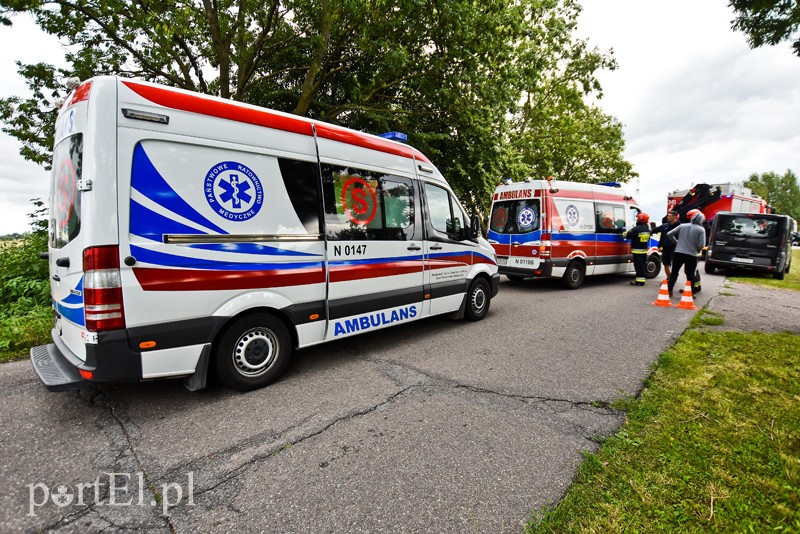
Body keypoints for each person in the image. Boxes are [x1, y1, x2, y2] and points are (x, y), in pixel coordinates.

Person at [667, 209, 706, 298]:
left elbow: (669, 234)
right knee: (690, 274)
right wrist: (697, 250)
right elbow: (702, 244)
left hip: (678, 253)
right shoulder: (701, 229)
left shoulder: (682, 226)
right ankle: (690, 293)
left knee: (674, 272)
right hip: (692, 255)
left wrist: (677, 243)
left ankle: (669, 290)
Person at [650, 210, 679, 278]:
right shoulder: (665, 226)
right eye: (668, 216)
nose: (668, 217)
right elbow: (655, 230)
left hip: (676, 248)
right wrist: (659, 246)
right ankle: (669, 278)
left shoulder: (680, 226)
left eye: (670, 216)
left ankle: (673, 278)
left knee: (675, 264)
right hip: (666, 248)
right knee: (666, 264)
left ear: (675, 217)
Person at [626, 212, 651, 286]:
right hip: (644, 250)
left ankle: (639, 281)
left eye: (637, 219)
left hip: (637, 251)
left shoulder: (636, 229)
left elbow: (628, 235)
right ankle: (641, 279)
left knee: (638, 266)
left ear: (640, 220)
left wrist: (623, 232)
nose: (637, 220)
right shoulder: (648, 229)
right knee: (642, 265)